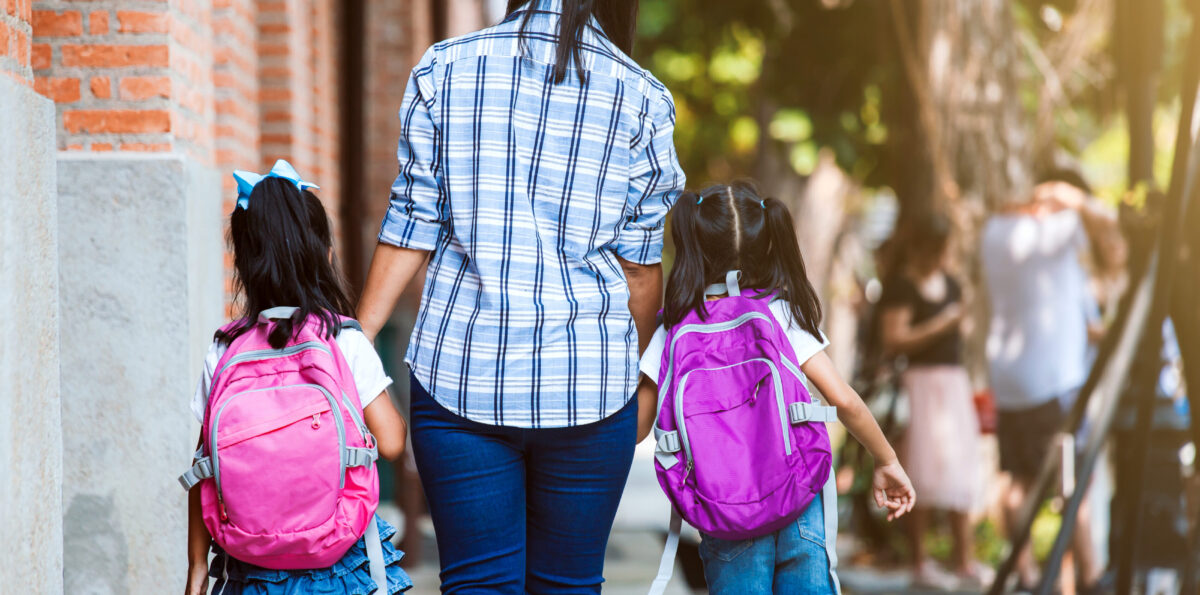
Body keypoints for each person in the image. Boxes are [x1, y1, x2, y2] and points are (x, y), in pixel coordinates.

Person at [354, 0, 685, 592]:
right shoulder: (642, 98)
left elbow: (411, 224)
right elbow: (640, 272)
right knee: (569, 584)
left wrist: (353, 344)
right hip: (589, 387)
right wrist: (633, 372)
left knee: (477, 584)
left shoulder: (444, 68)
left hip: (458, 379)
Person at [636, 182, 916, 594]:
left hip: (724, 515)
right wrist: (886, 460)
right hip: (798, 502)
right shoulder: (781, 312)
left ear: (691, 243)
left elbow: (638, 429)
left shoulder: (673, 328)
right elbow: (844, 401)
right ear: (767, 241)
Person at [184, 164, 412, 595]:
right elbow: (393, 442)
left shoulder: (224, 348)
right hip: (340, 565)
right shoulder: (342, 340)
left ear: (245, 262)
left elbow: (203, 468)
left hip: (250, 569)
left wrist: (197, 567)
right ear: (324, 254)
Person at [981, 169, 1125, 593]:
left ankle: (1024, 575)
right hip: (1055, 380)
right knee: (1074, 481)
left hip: (1009, 379)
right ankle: (1094, 577)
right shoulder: (1060, 230)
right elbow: (1112, 230)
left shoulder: (995, 230)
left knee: (1019, 481)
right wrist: (1074, 200)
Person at [879, 213, 988, 589]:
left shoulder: (953, 284)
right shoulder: (902, 287)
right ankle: (920, 561)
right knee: (919, 468)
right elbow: (895, 338)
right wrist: (943, 323)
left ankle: (964, 559)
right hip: (921, 384)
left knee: (958, 469)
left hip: (952, 383)